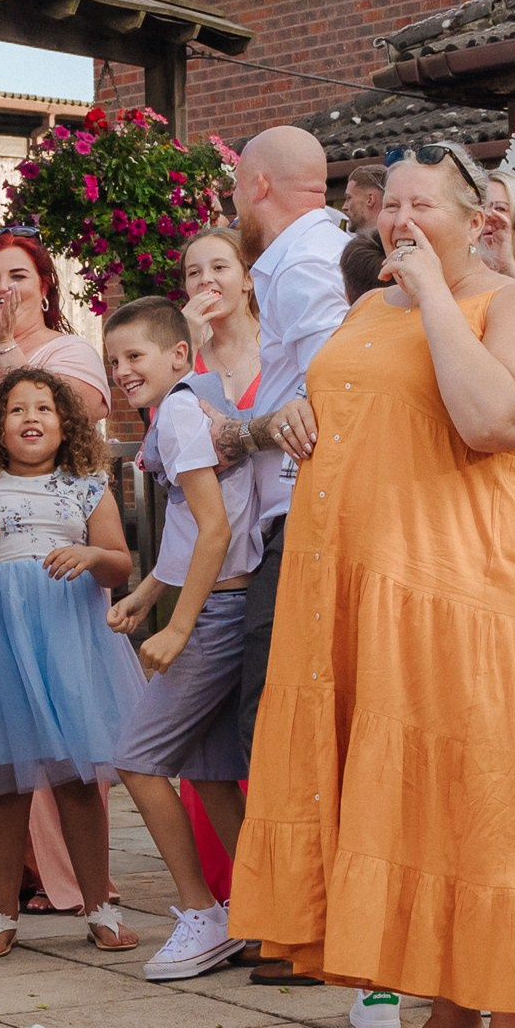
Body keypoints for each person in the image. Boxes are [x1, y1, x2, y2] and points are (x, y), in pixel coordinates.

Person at [230, 146, 515, 1028]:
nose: (401, 218)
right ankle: (453, 1014)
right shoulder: (371, 305)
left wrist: (429, 292)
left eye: (427, 204)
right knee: (409, 794)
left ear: (478, 221)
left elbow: (493, 421)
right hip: (357, 591)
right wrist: (293, 414)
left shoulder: (509, 305)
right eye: (391, 204)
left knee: (477, 797)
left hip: (462, 593)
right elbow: (364, 401)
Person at [0, 368, 142, 955]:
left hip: (67, 646)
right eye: (15, 410)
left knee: (79, 781)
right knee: (4, 785)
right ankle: (0, 914)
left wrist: (89, 554)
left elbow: (119, 564)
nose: (31, 418)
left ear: (65, 425)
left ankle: (101, 906)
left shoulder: (86, 486)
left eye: (44, 408)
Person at [104, 297, 262, 976]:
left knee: (137, 762)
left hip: (218, 611)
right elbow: (196, 527)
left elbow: (215, 529)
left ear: (177, 354)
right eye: (113, 361)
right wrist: (147, 592)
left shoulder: (176, 412)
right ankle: (262, 910)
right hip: (225, 600)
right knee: (211, 772)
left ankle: (203, 912)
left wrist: (180, 629)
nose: (121, 371)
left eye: (134, 356)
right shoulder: (191, 401)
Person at [209, 125, 349, 792]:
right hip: (299, 507)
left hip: (309, 511)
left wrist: (241, 436)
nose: (233, 207)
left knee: (270, 709)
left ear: (258, 186)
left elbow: (337, 388)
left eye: (236, 189)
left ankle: (285, 884)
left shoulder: (302, 263)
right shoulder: (315, 251)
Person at [0, 229, 110, 448]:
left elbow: (61, 419)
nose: (3, 287)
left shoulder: (73, 352)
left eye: (18, 276)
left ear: (43, 289)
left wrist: (4, 345)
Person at [182, 225, 262, 411]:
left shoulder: (278, 349)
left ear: (247, 279)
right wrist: (188, 343)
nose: (205, 279)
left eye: (219, 267)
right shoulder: (182, 358)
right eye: (194, 272)